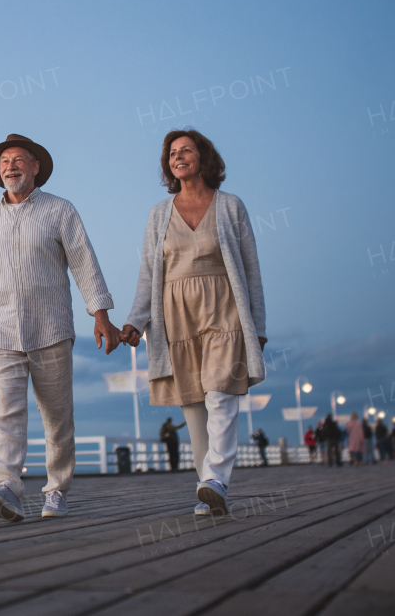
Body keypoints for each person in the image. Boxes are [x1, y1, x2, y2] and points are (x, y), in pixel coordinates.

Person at [0, 134, 117, 522]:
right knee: (7, 411)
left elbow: (84, 261)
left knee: (56, 415)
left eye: (18, 160)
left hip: (50, 326)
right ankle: (7, 486)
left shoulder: (60, 211)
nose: (10, 166)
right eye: (4, 162)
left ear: (35, 167)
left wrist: (99, 312)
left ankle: (56, 490)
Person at [122, 130, 267, 518]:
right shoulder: (159, 213)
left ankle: (217, 478)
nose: (178, 157)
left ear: (203, 157)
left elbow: (250, 269)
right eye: (172, 153)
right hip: (174, 314)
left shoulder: (231, 206)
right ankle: (207, 489)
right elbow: (149, 271)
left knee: (221, 392)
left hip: (224, 307)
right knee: (194, 408)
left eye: (186, 150)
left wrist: (259, 324)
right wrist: (137, 319)